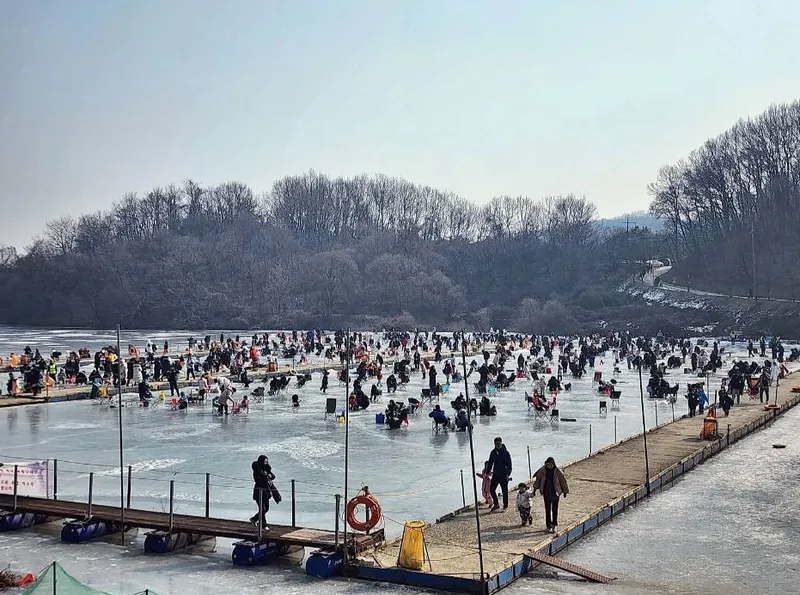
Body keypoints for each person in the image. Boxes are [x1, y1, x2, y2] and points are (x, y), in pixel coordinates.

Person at [532, 457, 569, 533]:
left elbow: (563, 482)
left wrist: (565, 491)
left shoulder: (558, 471)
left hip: (555, 493)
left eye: (551, 465)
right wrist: (534, 490)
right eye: (548, 465)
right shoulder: (542, 471)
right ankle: (548, 525)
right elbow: (538, 480)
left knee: (554, 510)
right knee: (547, 510)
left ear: (553, 464)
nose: (549, 466)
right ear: (546, 464)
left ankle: (554, 525)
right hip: (546, 493)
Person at [249, 455, 275, 530]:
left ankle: (254, 519)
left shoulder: (267, 468)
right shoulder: (256, 468)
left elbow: (273, 475)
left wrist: (270, 475)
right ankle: (263, 525)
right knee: (262, 509)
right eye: (264, 461)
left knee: (266, 509)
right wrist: (265, 475)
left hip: (266, 491)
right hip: (259, 491)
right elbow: (260, 475)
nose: (266, 463)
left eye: (267, 461)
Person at [488, 437, 512, 511]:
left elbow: (509, 465)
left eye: (499, 443)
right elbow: (490, 462)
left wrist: (508, 474)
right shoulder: (493, 452)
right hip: (496, 474)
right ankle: (496, 504)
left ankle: (505, 506)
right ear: (494, 444)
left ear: (501, 443)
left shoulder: (506, 452)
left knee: (504, 491)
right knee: (492, 489)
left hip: (504, 475)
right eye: (496, 444)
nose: (498, 445)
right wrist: (487, 471)